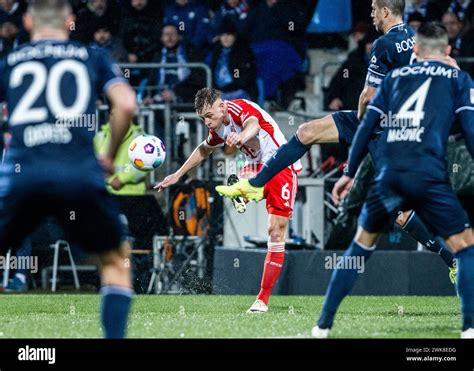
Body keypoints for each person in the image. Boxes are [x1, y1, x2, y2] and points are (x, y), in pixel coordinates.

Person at [217, 0, 458, 278]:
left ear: (385, 11)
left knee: (401, 211)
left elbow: (367, 96)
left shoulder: (383, 44)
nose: (370, 15)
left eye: (373, 10)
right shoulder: (417, 38)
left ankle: (452, 260)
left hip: (383, 131)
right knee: (306, 132)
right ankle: (257, 185)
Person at [312, 22, 474, 338]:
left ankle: (323, 325)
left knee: (360, 247)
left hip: (388, 176)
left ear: (415, 51)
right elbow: (468, 131)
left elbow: (365, 126)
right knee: (465, 249)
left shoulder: (395, 79)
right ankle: (469, 327)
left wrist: (348, 174)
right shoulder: (458, 78)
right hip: (428, 177)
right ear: (449, 51)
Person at [0, 0, 136, 338]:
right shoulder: (92, 56)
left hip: (23, 175)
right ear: (71, 21)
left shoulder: (9, 63)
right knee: (116, 261)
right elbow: (126, 105)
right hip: (79, 174)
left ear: (28, 22)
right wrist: (108, 155)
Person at [156, 87, 301, 313]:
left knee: (276, 230)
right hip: (257, 167)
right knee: (270, 226)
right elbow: (203, 150)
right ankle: (243, 188)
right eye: (202, 118)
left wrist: (241, 136)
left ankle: (242, 190)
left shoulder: (238, 107)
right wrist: (177, 174)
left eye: (209, 115)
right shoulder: (218, 128)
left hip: (282, 164)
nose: (207, 122)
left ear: (222, 106)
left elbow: (253, 123)